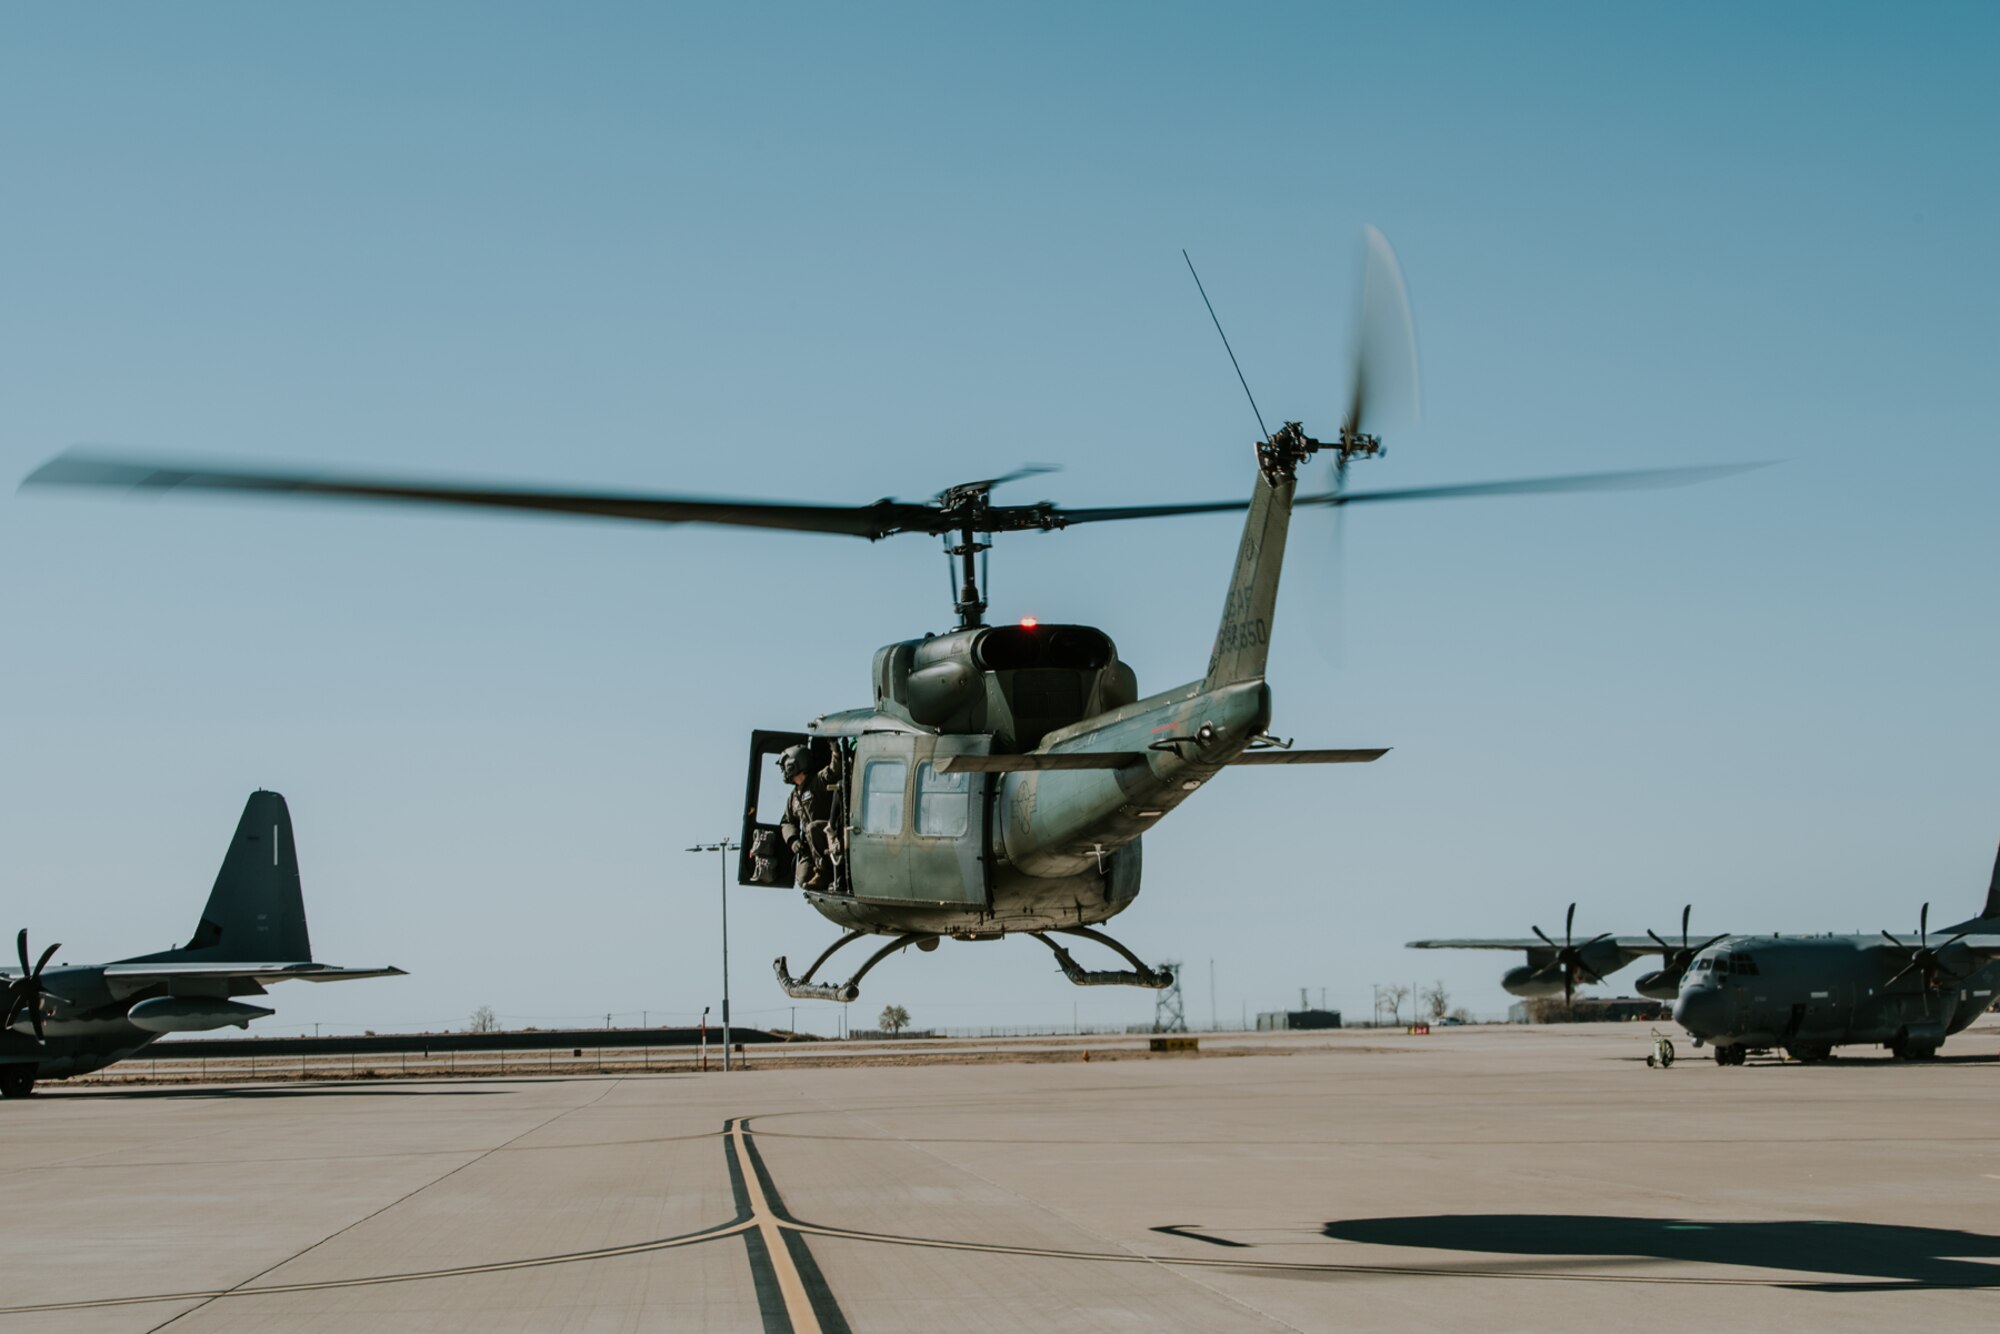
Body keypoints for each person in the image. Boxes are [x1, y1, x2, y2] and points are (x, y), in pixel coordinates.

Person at [778, 745, 837, 890]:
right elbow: (787, 821)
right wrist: (793, 840)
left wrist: (836, 752)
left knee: (813, 828)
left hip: (828, 836)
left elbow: (834, 771)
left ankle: (824, 872)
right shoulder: (794, 797)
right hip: (811, 846)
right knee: (802, 878)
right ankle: (819, 872)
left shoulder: (818, 781)